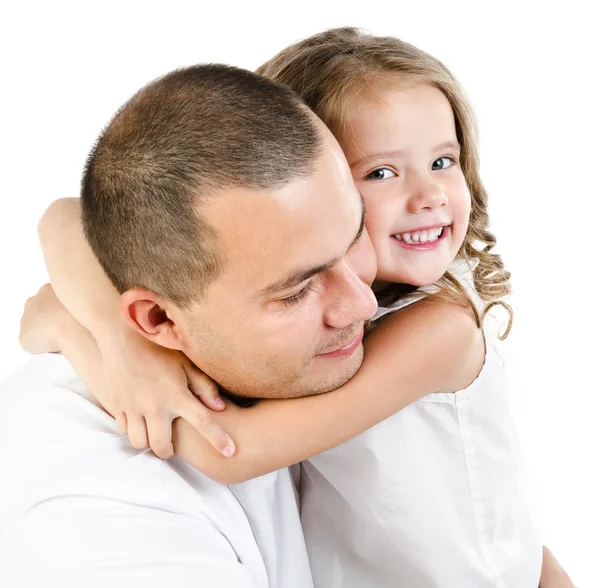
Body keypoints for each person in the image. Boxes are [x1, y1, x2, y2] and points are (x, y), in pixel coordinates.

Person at [21, 28, 574, 587]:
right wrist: (104, 330)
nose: (430, 195)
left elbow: (229, 451)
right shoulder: (82, 496)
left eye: (444, 161)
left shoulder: (443, 328)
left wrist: (116, 357)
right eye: (381, 172)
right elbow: (67, 216)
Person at [2, 63, 379, 588]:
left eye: (356, 235)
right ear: (157, 320)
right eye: (297, 290)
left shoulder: (262, 339)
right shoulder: (101, 521)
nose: (362, 303)